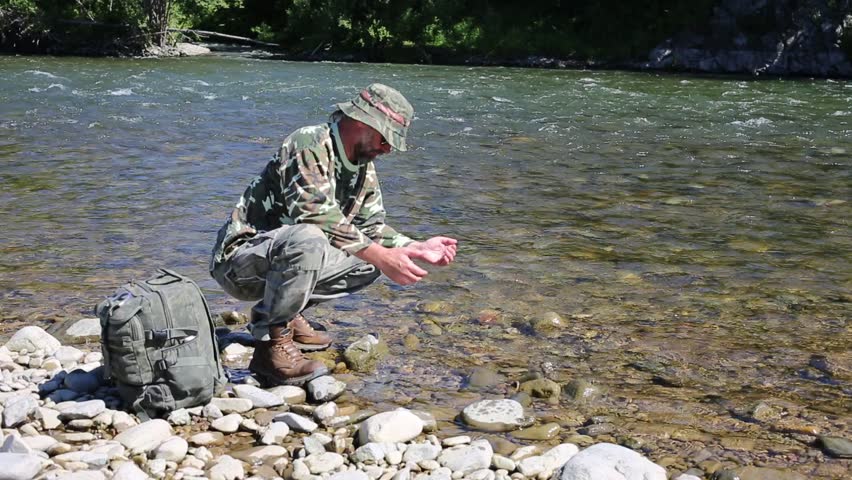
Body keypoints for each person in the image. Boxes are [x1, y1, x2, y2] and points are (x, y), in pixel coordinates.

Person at [210, 83, 458, 386]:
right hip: (240, 263)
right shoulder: (309, 143)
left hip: (286, 261)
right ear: (360, 122)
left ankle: (288, 313)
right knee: (310, 239)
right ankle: (270, 347)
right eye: (385, 138)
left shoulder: (363, 167)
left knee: (372, 262)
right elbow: (313, 214)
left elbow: (371, 230)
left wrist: (414, 247)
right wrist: (381, 254)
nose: (388, 149)